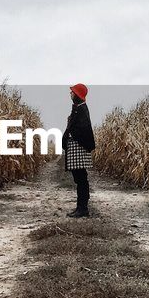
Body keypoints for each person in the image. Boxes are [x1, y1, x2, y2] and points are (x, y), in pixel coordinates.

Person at [62, 83, 95, 217]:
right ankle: (80, 207)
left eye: (72, 92)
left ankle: (83, 208)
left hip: (79, 149)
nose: (70, 94)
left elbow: (82, 129)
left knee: (81, 179)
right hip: (77, 149)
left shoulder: (81, 109)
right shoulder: (78, 108)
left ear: (77, 94)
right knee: (79, 179)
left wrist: (70, 134)